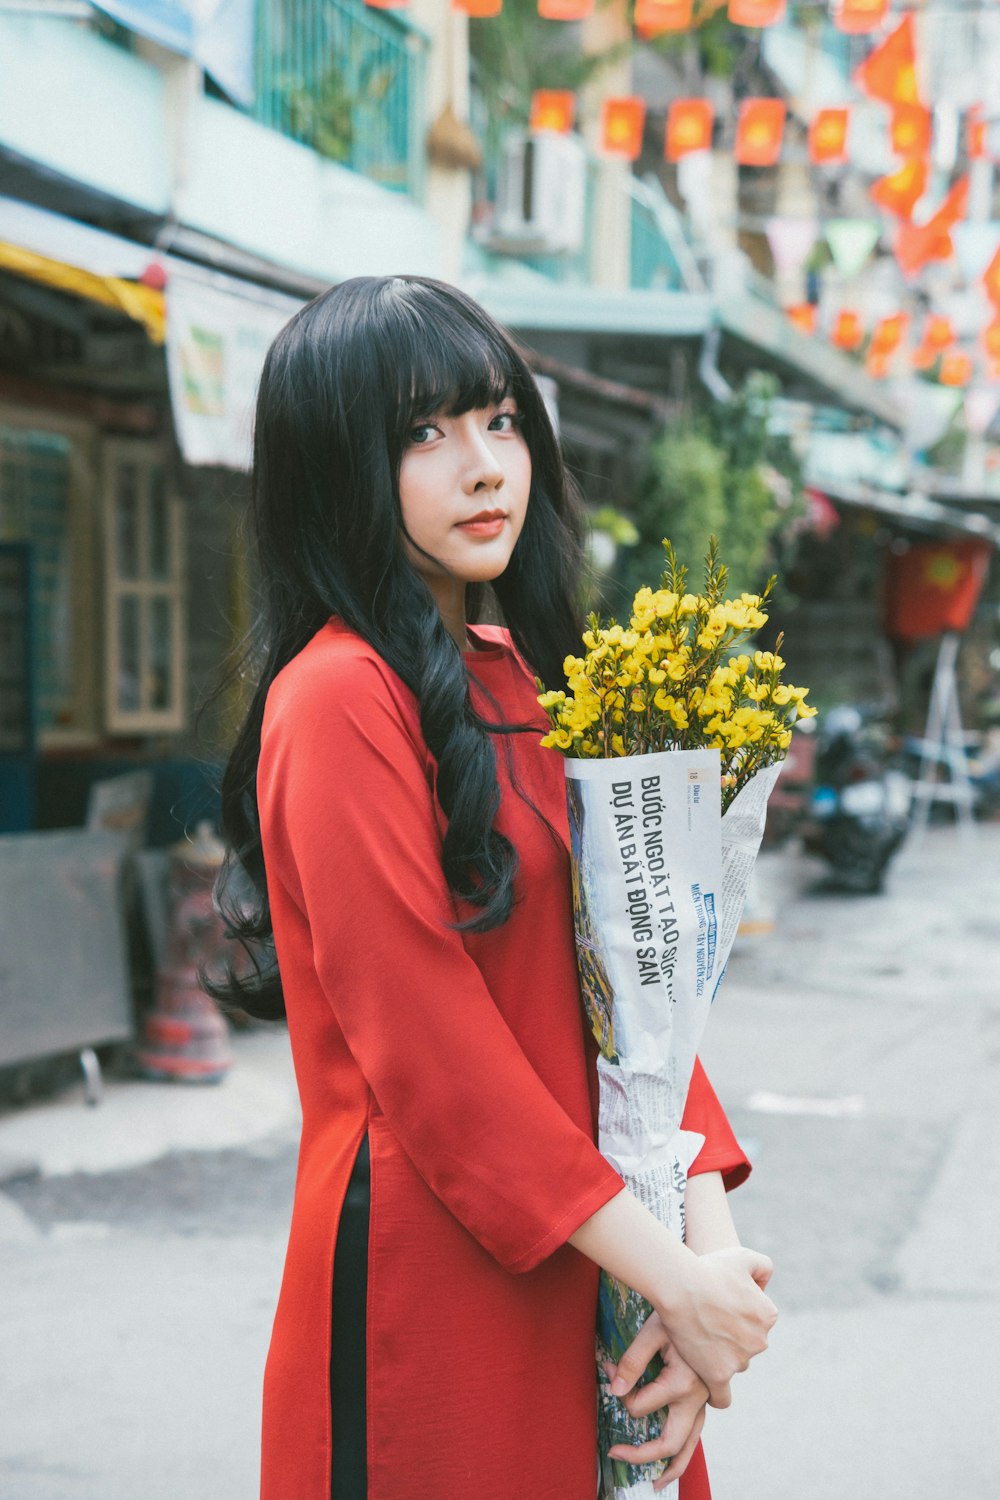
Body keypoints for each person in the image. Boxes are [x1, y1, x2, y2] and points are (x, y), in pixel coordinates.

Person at [213, 275, 776, 1500]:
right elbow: (433, 1054)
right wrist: (674, 1281)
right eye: (423, 433)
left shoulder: (526, 676)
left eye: (498, 420)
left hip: (599, 1249)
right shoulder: (336, 697)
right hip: (437, 1277)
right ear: (336, 467)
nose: (482, 467)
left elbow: (635, 987)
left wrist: (704, 1266)